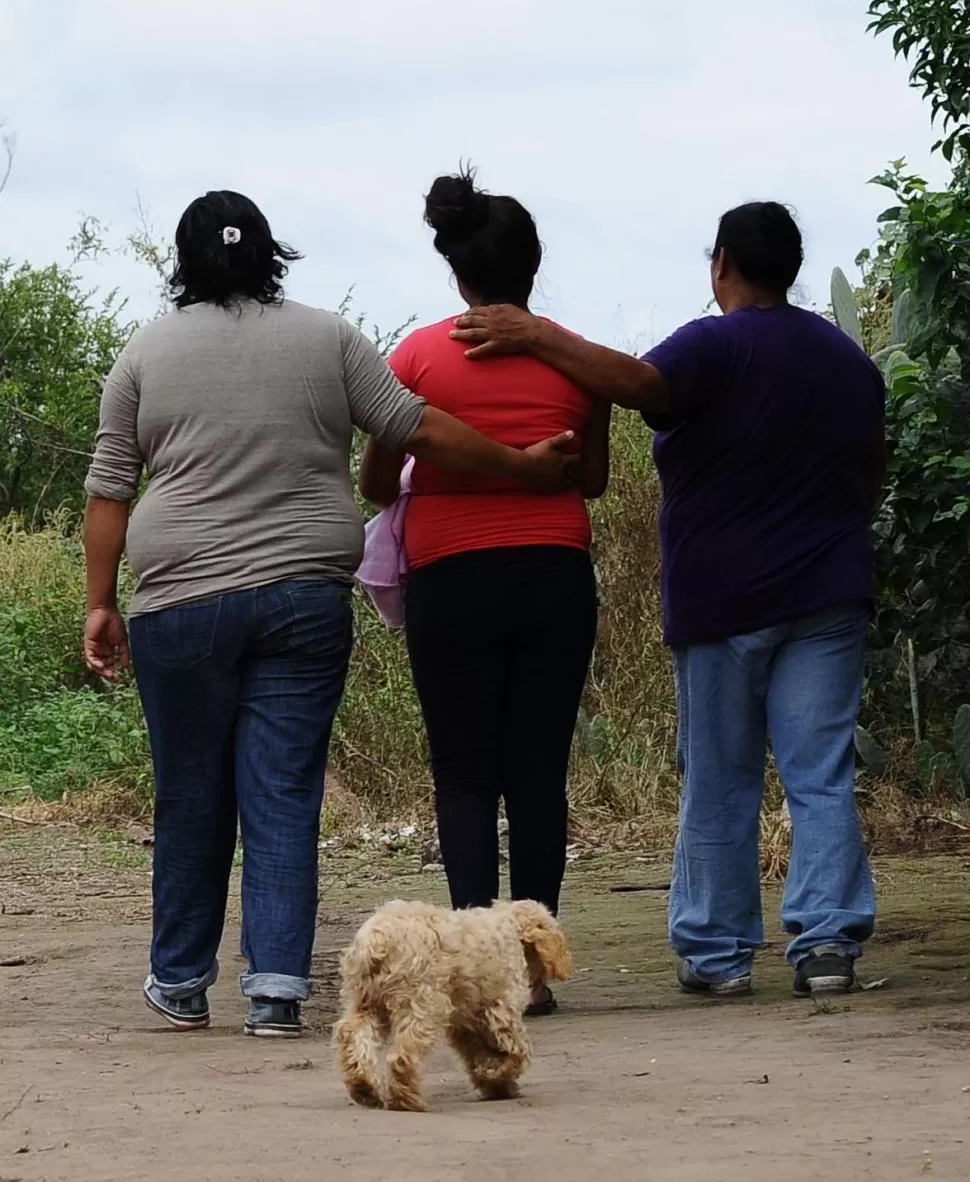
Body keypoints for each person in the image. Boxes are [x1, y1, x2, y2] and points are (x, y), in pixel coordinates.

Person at [82, 189, 578, 1038]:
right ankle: (275, 987)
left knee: (191, 791)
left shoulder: (143, 353)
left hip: (179, 602)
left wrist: (98, 604)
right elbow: (418, 428)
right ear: (269, 252)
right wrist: (521, 467)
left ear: (186, 261)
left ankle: (182, 979)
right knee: (281, 789)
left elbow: (110, 489)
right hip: (302, 596)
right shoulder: (328, 337)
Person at [451, 201, 886, 1000]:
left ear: (721, 262)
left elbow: (640, 384)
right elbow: (869, 472)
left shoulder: (713, 345)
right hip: (828, 596)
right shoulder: (847, 361)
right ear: (790, 267)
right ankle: (827, 948)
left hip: (725, 600)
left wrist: (534, 333)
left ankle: (718, 957)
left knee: (721, 778)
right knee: (819, 775)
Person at [359, 168, 610, 1015]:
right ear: (533, 268)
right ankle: (533, 973)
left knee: (464, 776)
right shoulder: (574, 361)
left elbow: (378, 485)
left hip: (451, 583)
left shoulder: (417, 359)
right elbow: (600, 479)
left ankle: (475, 972)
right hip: (553, 577)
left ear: (457, 269)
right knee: (538, 775)